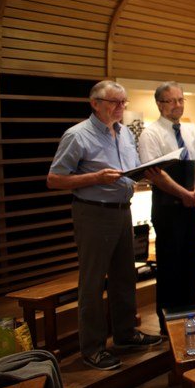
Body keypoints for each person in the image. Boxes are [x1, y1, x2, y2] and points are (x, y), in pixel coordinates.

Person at [47, 80, 161, 370]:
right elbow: (54, 179)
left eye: (124, 102)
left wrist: (145, 173)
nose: (121, 107)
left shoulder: (124, 133)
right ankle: (93, 348)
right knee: (93, 281)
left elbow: (127, 172)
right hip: (93, 212)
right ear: (95, 103)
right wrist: (94, 178)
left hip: (123, 211)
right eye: (115, 102)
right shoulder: (77, 135)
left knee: (125, 276)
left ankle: (125, 334)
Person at [138, 82, 195, 331]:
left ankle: (188, 320)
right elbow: (155, 174)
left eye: (181, 100)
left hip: (192, 205)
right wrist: (183, 194)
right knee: (170, 267)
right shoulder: (151, 133)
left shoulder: (189, 130)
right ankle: (167, 326)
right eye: (171, 101)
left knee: (191, 263)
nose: (178, 105)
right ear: (159, 104)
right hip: (168, 208)